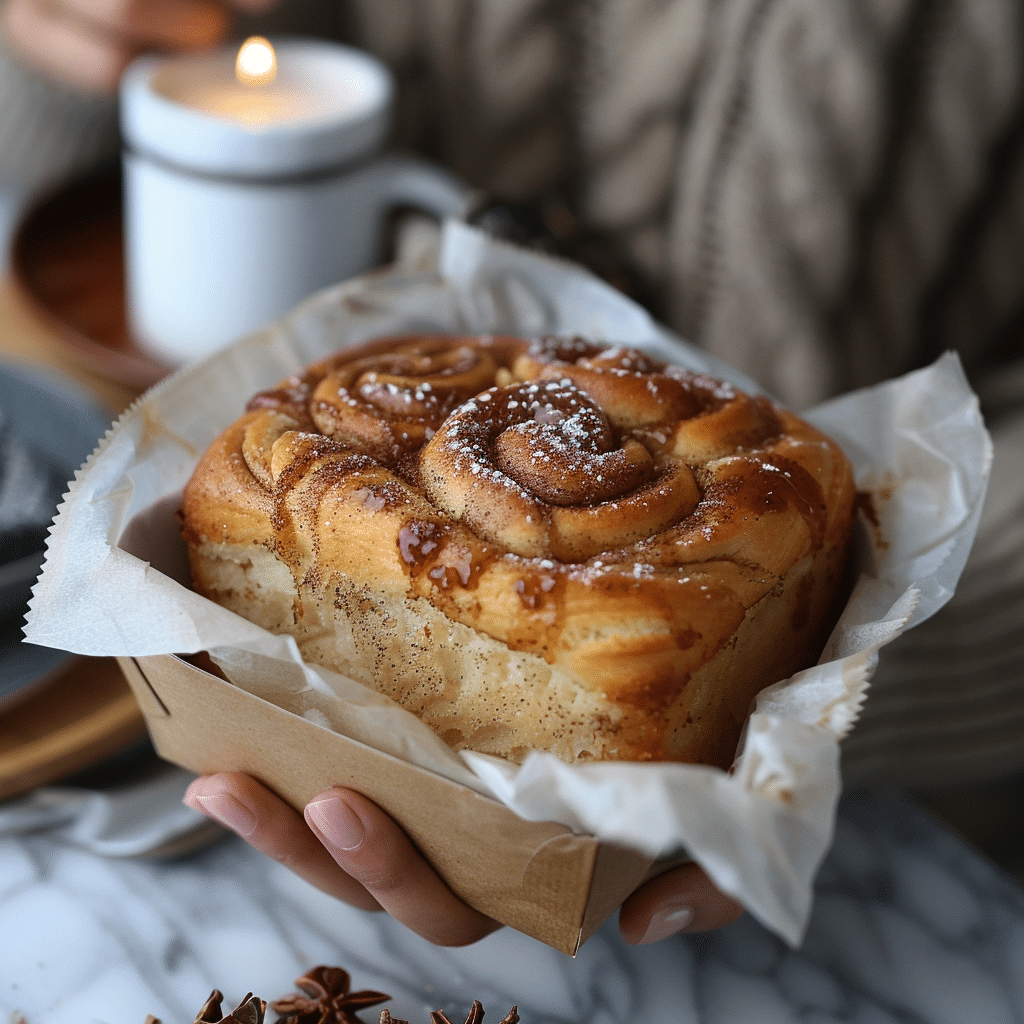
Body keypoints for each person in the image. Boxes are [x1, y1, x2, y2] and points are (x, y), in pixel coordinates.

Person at [3, 0, 1023, 945]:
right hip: (350, 398)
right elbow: (126, 127)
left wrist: (830, 694)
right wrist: (75, 42)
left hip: (920, 846)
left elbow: (718, 658)